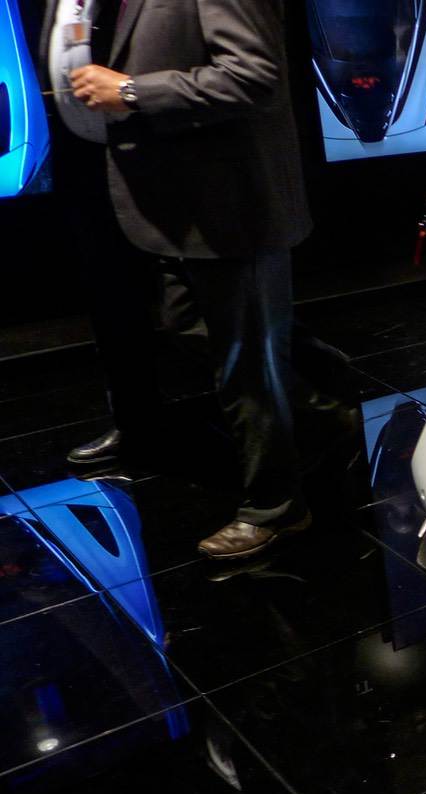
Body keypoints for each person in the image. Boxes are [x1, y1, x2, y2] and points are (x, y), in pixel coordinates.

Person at [68, 0, 315, 560]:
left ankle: (278, 508)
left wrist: (132, 91)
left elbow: (255, 76)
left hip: (232, 204)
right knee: (206, 334)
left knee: (248, 364)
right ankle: (326, 403)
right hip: (178, 204)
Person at [40, 0, 163, 466]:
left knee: (202, 306)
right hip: (84, 158)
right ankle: (136, 423)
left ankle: (315, 392)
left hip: (160, 155)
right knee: (111, 298)